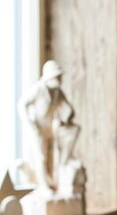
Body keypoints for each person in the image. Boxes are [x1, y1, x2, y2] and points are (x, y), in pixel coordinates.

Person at [18, 60, 80, 193]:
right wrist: (28, 122)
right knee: (40, 157)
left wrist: (67, 116)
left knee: (53, 154)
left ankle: (55, 180)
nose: (60, 79)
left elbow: (67, 108)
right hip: (37, 128)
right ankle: (43, 185)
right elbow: (22, 104)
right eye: (57, 76)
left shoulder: (57, 92)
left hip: (49, 127)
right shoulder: (39, 89)